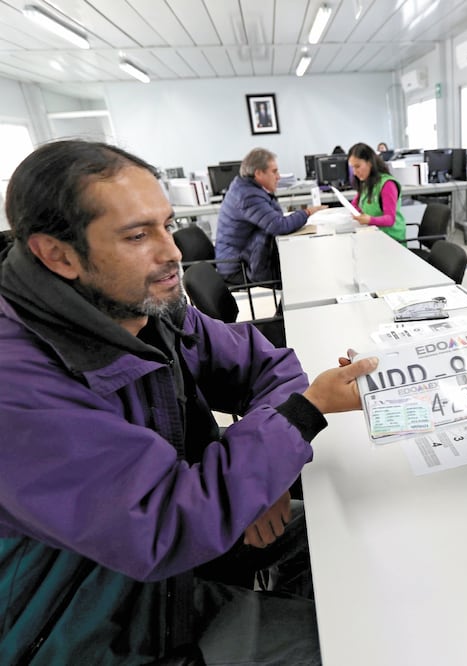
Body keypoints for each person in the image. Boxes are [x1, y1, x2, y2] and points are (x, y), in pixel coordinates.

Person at [0, 139, 378, 664]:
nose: (172, 252)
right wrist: (295, 422)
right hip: (95, 620)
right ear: (58, 255)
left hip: (179, 548)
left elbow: (263, 365)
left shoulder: (141, 303)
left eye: (167, 225)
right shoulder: (19, 388)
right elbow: (159, 524)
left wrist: (264, 479)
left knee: (346, 539)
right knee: (354, 645)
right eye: (138, 235)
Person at [214, 148, 325, 283]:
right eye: (274, 171)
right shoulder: (247, 196)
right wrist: (308, 212)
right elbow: (279, 226)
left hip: (245, 258)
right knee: (298, 274)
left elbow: (275, 217)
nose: (278, 177)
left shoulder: (246, 188)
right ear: (258, 173)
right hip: (239, 268)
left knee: (297, 267)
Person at [347, 142, 406, 243]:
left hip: (391, 239)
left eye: (357, 166)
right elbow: (355, 204)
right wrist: (359, 214)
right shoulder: (366, 182)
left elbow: (390, 219)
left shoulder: (387, 184)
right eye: (352, 167)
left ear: (369, 162)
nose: (355, 172)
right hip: (374, 234)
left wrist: (369, 220)